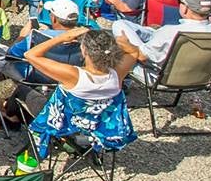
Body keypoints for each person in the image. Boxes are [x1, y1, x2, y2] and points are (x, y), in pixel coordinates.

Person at [21, 27, 139, 162]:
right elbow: (134, 52)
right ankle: (82, 148)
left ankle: (14, 125)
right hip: (100, 129)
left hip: (65, 127)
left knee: (21, 90)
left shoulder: (73, 75)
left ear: (84, 51)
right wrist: (121, 42)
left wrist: (61, 38)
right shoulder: (117, 75)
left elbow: (30, 55)